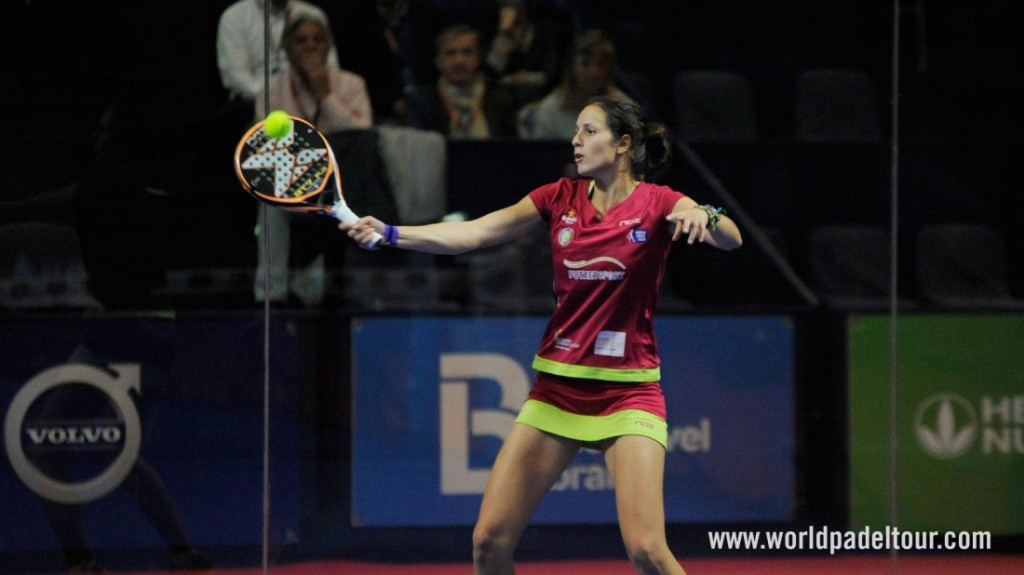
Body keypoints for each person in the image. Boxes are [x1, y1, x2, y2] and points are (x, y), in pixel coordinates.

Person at [342, 96, 742, 574]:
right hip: (556, 390)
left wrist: (707, 217)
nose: (576, 140)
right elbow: (475, 233)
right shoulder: (559, 197)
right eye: (576, 130)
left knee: (647, 551)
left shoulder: (659, 202)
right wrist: (391, 233)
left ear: (623, 145)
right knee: (488, 543)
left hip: (629, 393)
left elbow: (731, 237)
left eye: (590, 131)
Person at [252, 13, 374, 306]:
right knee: (268, 204)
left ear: (329, 47)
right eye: (301, 40)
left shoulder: (352, 84)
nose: (310, 47)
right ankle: (272, 296)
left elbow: (362, 137)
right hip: (291, 183)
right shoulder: (271, 90)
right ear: (286, 47)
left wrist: (325, 96)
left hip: (344, 184)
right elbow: (262, 150)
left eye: (318, 40)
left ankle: (317, 292)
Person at [405, 23, 519, 139]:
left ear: (478, 58)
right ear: (438, 61)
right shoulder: (423, 101)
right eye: (450, 53)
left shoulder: (500, 99)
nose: (459, 61)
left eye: (467, 52)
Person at [216, 0, 340, 106]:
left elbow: (332, 68)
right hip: (255, 103)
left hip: (312, 98)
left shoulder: (312, 14)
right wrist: (275, 99)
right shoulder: (235, 16)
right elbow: (236, 76)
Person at [519, 29, 635, 140]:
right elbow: (542, 157)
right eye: (585, 64)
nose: (593, 73)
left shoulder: (623, 108)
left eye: (601, 65)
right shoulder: (551, 109)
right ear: (572, 68)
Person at [483, 0, 573, 108]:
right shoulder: (492, 28)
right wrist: (504, 32)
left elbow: (551, 75)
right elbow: (491, 74)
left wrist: (517, 78)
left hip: (542, 99)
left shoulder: (547, 28)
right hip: (503, 102)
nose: (508, 5)